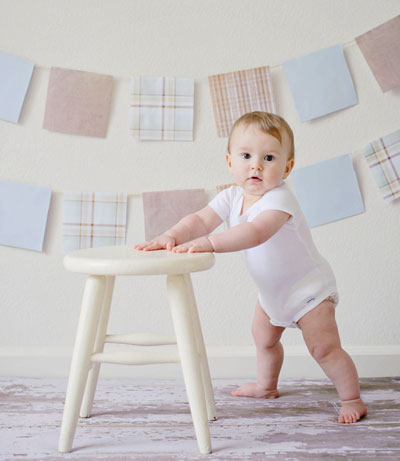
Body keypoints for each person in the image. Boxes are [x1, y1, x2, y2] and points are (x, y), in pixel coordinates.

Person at [134, 111, 367, 424]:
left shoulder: (279, 200)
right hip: (272, 293)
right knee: (264, 339)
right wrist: (171, 235)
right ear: (230, 162)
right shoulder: (230, 196)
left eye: (269, 157)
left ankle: (352, 398)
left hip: (309, 291)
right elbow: (201, 220)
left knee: (324, 349)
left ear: (287, 167)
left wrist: (210, 243)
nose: (256, 165)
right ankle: (266, 385)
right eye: (246, 155)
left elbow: (255, 233)